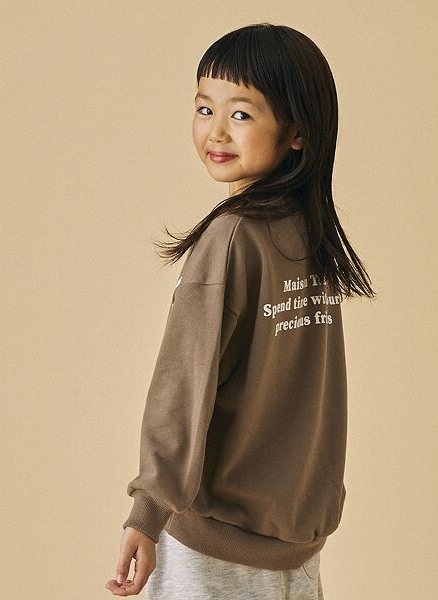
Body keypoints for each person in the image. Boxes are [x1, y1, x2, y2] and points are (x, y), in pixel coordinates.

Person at [105, 22, 376, 599]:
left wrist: (147, 513)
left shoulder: (234, 239)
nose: (216, 132)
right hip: (292, 552)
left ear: (297, 131)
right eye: (205, 109)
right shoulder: (307, 235)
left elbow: (184, 385)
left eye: (242, 114)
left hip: (214, 555)